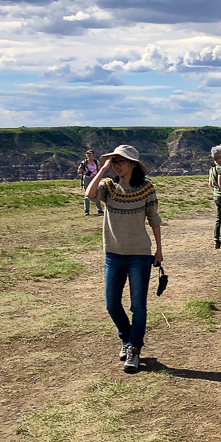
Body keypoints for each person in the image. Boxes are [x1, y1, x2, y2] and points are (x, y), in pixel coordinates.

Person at [84, 144, 162, 374]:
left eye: (121, 161)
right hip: (114, 254)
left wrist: (159, 250)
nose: (117, 165)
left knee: (138, 305)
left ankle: (134, 349)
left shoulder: (146, 188)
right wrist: (102, 170)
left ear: (133, 164)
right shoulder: (108, 186)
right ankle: (128, 340)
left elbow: (154, 218)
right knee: (112, 304)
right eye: (114, 161)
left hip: (139, 253)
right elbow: (89, 195)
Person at [78, 150, 104, 215]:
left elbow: (99, 170)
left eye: (90, 154)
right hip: (87, 178)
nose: (89, 155)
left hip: (94, 178)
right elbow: (79, 171)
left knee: (97, 193)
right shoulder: (84, 162)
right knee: (87, 194)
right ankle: (86, 210)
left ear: (93, 155)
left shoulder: (96, 162)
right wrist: (81, 171)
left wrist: (98, 178)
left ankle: (99, 210)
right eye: (87, 154)